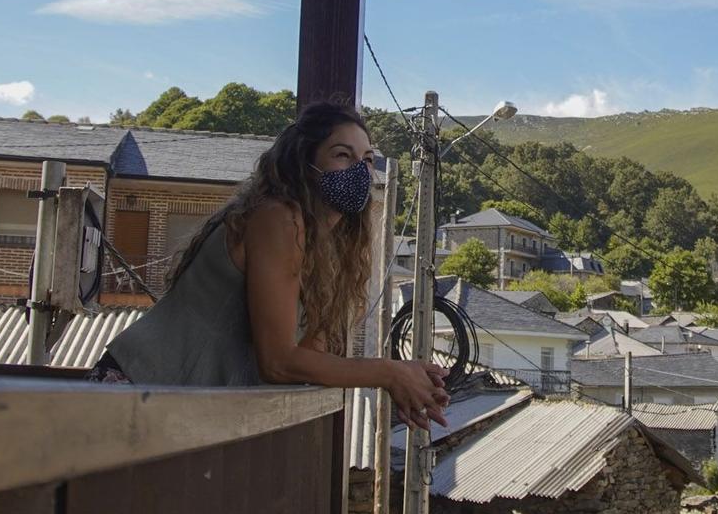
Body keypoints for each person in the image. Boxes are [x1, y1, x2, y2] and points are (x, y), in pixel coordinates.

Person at [91, 101, 451, 429]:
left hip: (174, 409)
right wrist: (388, 372)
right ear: (304, 164)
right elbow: (278, 361)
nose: (360, 171)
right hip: (133, 393)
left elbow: (311, 357)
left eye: (368, 160)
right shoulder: (277, 218)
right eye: (343, 155)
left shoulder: (326, 249)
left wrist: (410, 380)